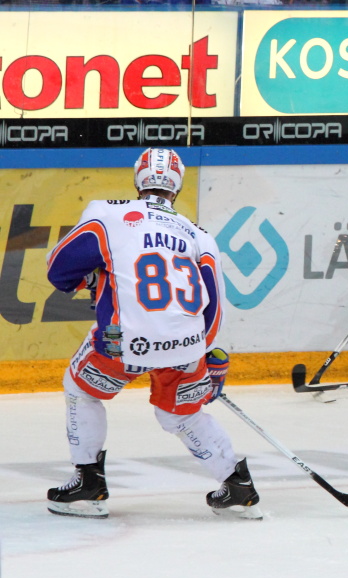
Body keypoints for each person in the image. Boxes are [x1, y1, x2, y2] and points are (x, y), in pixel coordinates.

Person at [44, 148, 260, 520]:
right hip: (187, 344)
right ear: (177, 185)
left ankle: (89, 485)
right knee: (181, 414)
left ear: (137, 179)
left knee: (80, 390)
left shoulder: (107, 213)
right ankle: (237, 487)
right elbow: (215, 308)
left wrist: (93, 279)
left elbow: (58, 269)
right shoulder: (200, 235)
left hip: (123, 342)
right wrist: (204, 357)